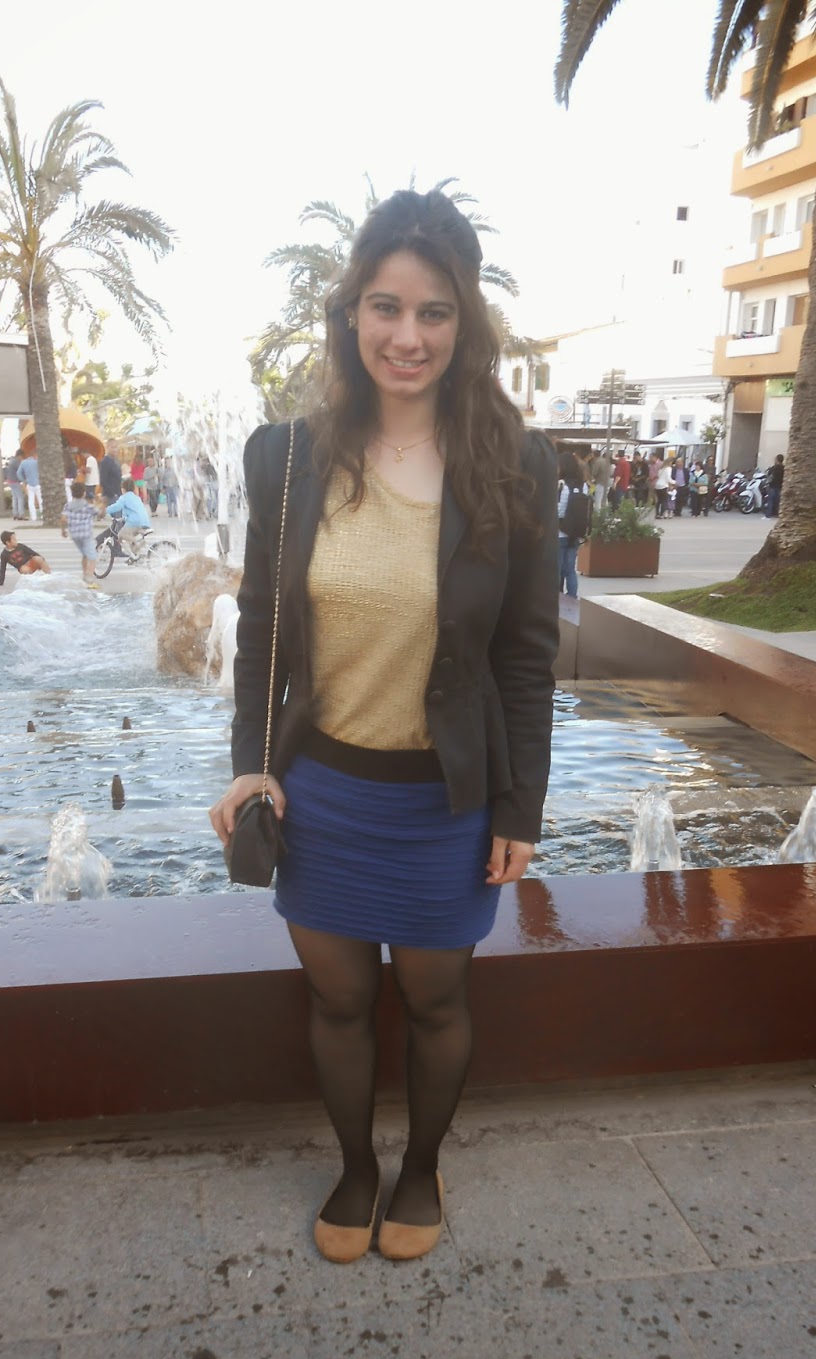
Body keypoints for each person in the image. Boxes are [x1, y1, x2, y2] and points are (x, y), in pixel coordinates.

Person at [209, 187, 558, 1265]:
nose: (408, 336)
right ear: (352, 313)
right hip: (323, 793)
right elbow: (262, 631)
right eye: (386, 307)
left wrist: (520, 808)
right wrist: (249, 768)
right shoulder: (288, 459)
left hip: (446, 799)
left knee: (438, 997)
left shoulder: (515, 463)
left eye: (434, 312)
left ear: (465, 324)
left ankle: (421, 1166)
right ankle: (358, 1165)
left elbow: (525, 656)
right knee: (340, 997)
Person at [557, 447, 589, 599]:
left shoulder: (563, 485)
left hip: (560, 532)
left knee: (557, 570)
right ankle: (571, 599)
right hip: (576, 532)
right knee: (570, 570)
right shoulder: (584, 485)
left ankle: (557, 598)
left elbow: (559, 511)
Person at [61, 481, 99, 587]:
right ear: (84, 493)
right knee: (92, 557)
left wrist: (63, 530)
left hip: (74, 535)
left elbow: (63, 518)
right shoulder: (88, 506)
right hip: (86, 534)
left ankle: (84, 574)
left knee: (85, 554)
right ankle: (89, 578)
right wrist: (101, 504)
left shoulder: (68, 506)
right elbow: (99, 513)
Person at [106, 475, 151, 546]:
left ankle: (137, 543)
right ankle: (134, 550)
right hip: (145, 522)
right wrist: (124, 518)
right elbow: (133, 511)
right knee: (129, 535)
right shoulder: (136, 497)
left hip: (135, 522)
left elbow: (116, 507)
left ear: (123, 488)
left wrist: (105, 510)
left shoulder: (124, 498)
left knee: (121, 534)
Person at [17, 450, 41, 522]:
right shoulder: (37, 462)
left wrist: (24, 480)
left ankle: (33, 517)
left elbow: (18, 473)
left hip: (29, 484)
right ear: (35, 455)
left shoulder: (23, 463)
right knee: (41, 500)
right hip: (38, 483)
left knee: (31, 501)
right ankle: (43, 515)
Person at [99, 440, 123, 505]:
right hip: (110, 496)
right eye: (112, 447)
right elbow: (103, 480)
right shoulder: (105, 461)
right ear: (107, 448)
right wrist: (112, 494)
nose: (114, 449)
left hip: (118, 494)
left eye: (116, 447)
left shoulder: (116, 461)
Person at [653, 454, 672, 519]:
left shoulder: (661, 469)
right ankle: (661, 514)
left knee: (659, 500)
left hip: (657, 485)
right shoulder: (668, 468)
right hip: (664, 485)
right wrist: (674, 482)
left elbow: (658, 476)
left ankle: (657, 514)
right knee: (664, 500)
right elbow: (668, 478)